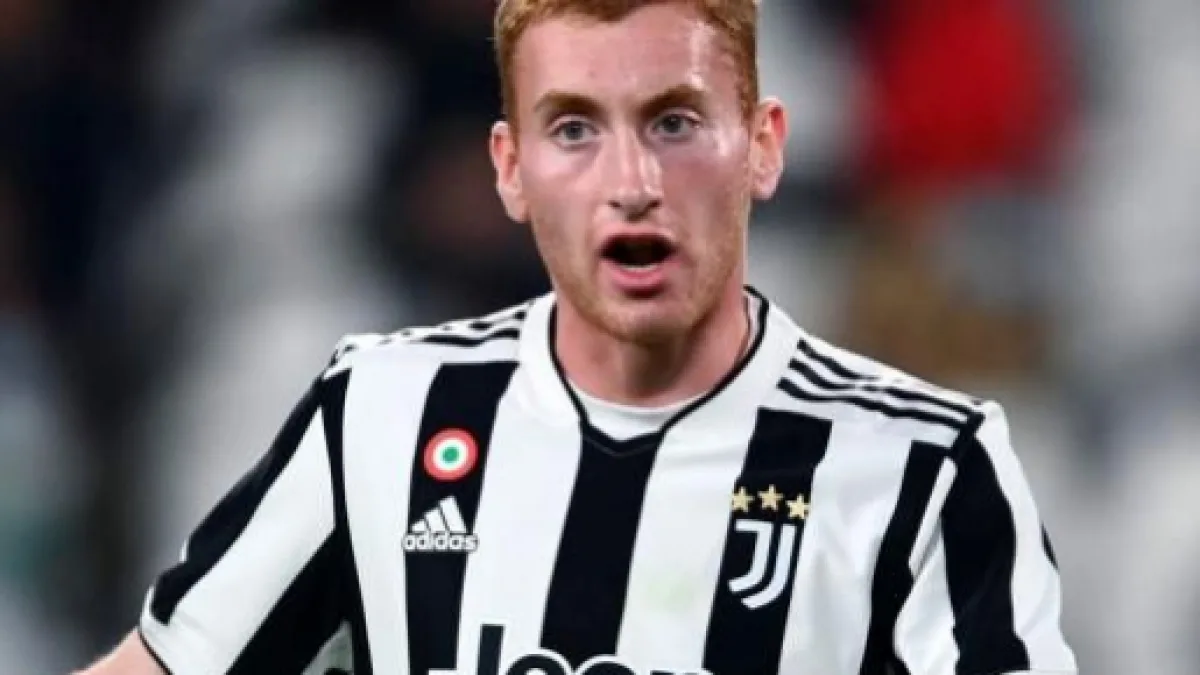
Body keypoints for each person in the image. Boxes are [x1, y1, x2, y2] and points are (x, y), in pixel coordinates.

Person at [77, 1, 1076, 673]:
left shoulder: (928, 468)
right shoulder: (375, 418)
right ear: (510, 168)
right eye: (573, 129)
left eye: (675, 123)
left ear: (763, 147)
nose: (630, 182)